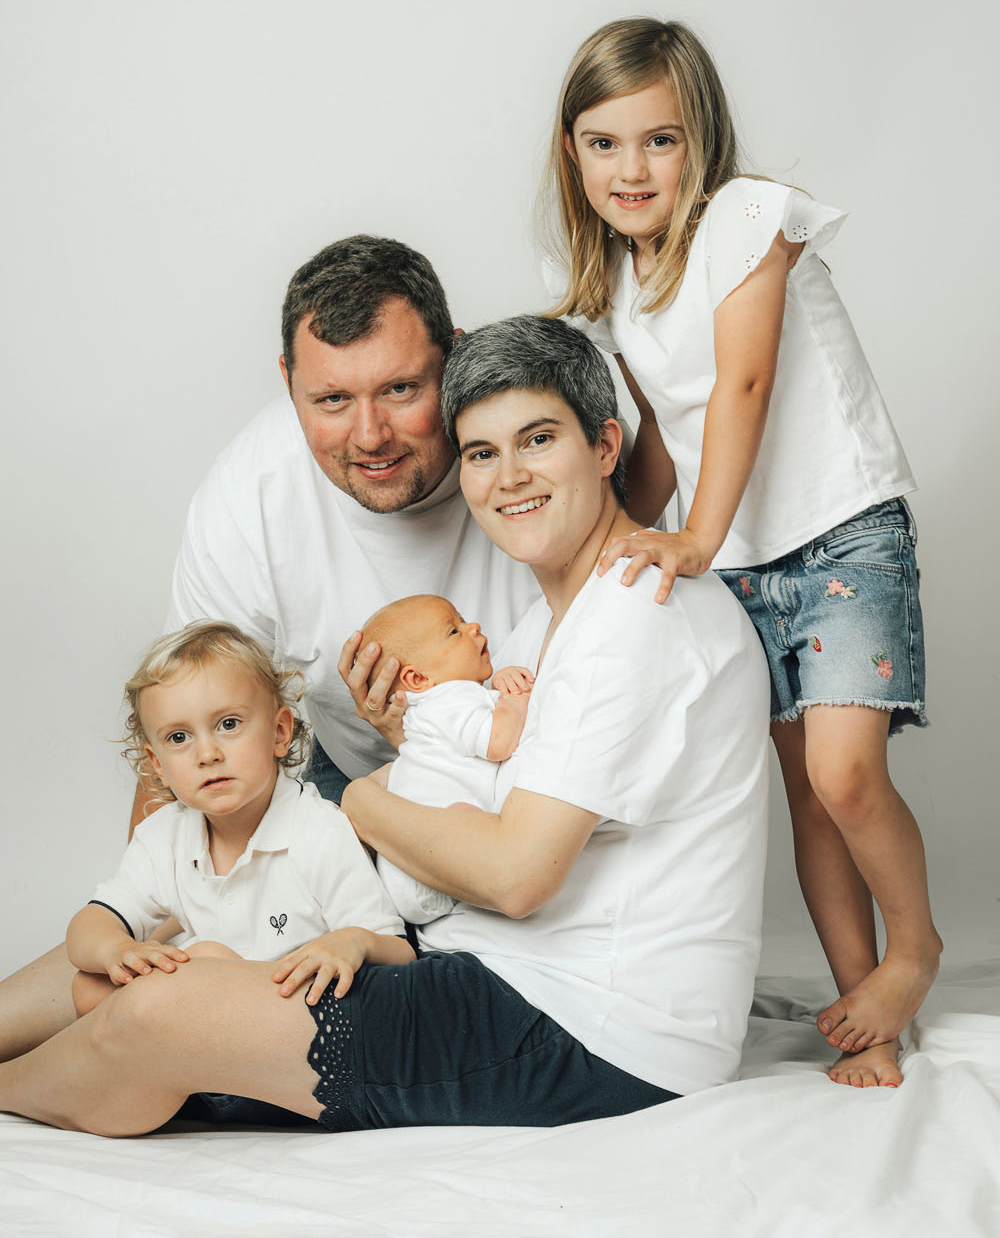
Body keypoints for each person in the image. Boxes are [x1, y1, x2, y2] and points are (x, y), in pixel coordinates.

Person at [0, 316, 771, 1133]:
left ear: (606, 446)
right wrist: (414, 748)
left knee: (159, 1011)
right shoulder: (540, 629)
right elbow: (500, 791)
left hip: (593, 1028)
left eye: (538, 440)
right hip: (486, 963)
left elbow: (517, 874)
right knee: (194, 908)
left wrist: (364, 801)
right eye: (482, 453)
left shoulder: (634, 614)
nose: (510, 477)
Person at [0, 234, 535, 1061]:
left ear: (453, 358)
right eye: (331, 400)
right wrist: (155, 924)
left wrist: (419, 750)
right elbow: (186, 721)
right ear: (287, 382)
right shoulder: (249, 495)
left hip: (507, 794)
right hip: (339, 785)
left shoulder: (521, 461)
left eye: (401, 389)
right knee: (187, 916)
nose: (370, 434)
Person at [540, 15, 940, 1088]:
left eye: (659, 140)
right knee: (804, 794)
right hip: (743, 561)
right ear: (572, 153)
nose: (632, 169)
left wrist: (696, 538)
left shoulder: (745, 219)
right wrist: (597, 557)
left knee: (845, 773)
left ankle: (914, 949)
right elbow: (661, 445)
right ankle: (866, 1010)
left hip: (840, 529)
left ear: (700, 140)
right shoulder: (621, 283)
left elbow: (744, 382)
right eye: (604, 143)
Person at [68, 622, 411, 1022]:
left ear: (279, 733)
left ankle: (167, 1050)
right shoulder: (164, 835)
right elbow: (90, 925)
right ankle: (171, 1053)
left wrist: (353, 941)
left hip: (297, 1015)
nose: (207, 754)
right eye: (179, 738)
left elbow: (400, 953)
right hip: (215, 1005)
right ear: (157, 764)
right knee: (89, 985)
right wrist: (117, 949)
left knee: (205, 956)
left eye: (228, 724)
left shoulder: (319, 829)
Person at [360, 593, 534, 922]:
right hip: (434, 860)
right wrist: (516, 697)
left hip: (405, 867)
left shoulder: (430, 708)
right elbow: (498, 741)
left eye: (463, 620)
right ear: (418, 679)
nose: (473, 627)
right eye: (454, 631)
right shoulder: (449, 698)